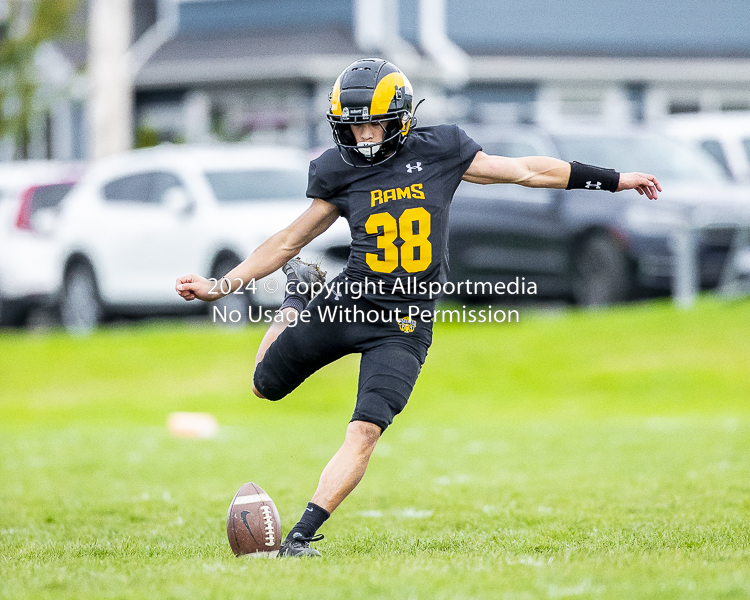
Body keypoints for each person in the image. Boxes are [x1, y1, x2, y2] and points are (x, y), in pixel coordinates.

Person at [175, 58, 661, 558]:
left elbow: (528, 171)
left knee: (365, 428)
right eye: (352, 124)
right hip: (348, 303)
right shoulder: (337, 171)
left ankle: (300, 534)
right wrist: (221, 285)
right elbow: (285, 242)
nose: (362, 135)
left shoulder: (441, 150)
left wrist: (612, 178)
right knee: (263, 386)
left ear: (401, 117)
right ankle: (300, 295)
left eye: (371, 122)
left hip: (403, 324)